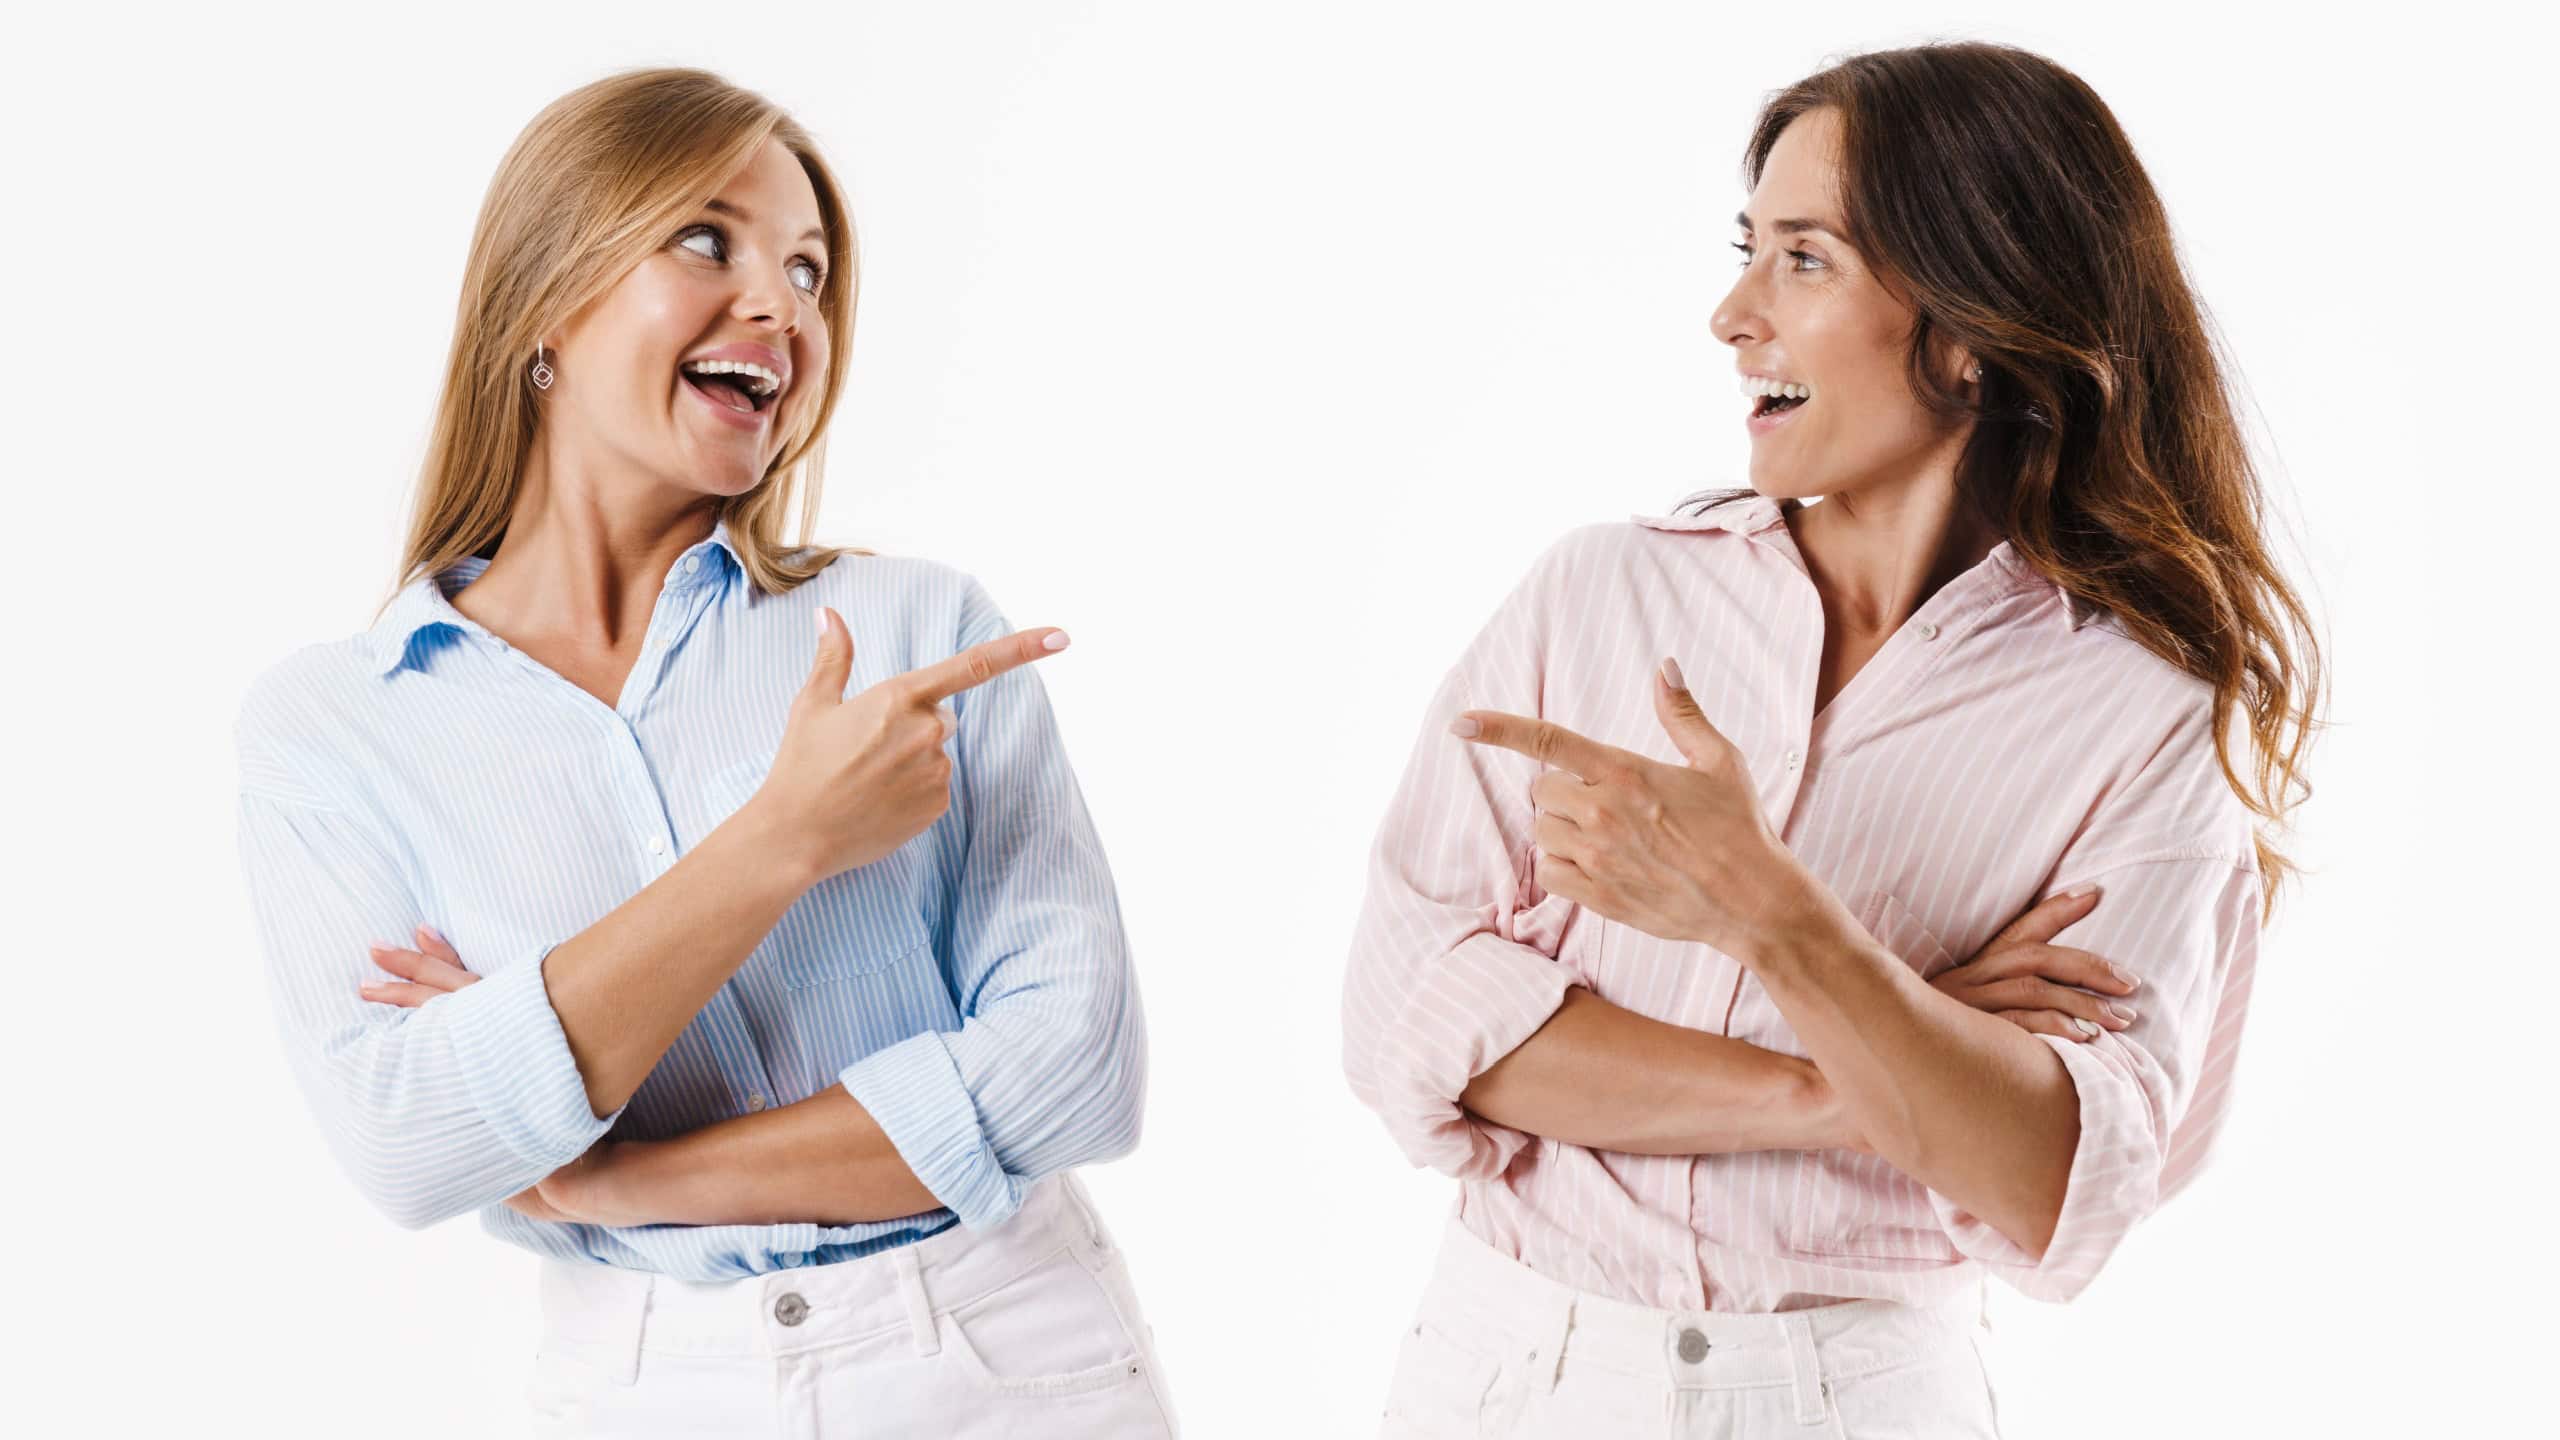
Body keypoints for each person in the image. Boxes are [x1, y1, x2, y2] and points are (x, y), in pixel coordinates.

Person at [1341, 41, 2323, 1438]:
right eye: (1749, 250)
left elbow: (2058, 1181)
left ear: (1976, 322)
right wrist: (1869, 1073)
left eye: (1804, 261)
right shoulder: (1604, 595)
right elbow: (1407, 1021)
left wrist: (1771, 918)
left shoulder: (2144, 715)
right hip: (1507, 1370)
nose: (1733, 314)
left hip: (1849, 1400)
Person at [232, 67, 1177, 1438]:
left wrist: (616, 1166)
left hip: (999, 1356)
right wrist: (785, 837)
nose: (783, 305)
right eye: (709, 240)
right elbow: (409, 1139)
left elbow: (1078, 1070)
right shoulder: (339, 726)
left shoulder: (911, 627)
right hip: (644, 1385)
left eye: (807, 269)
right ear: (545, 298)